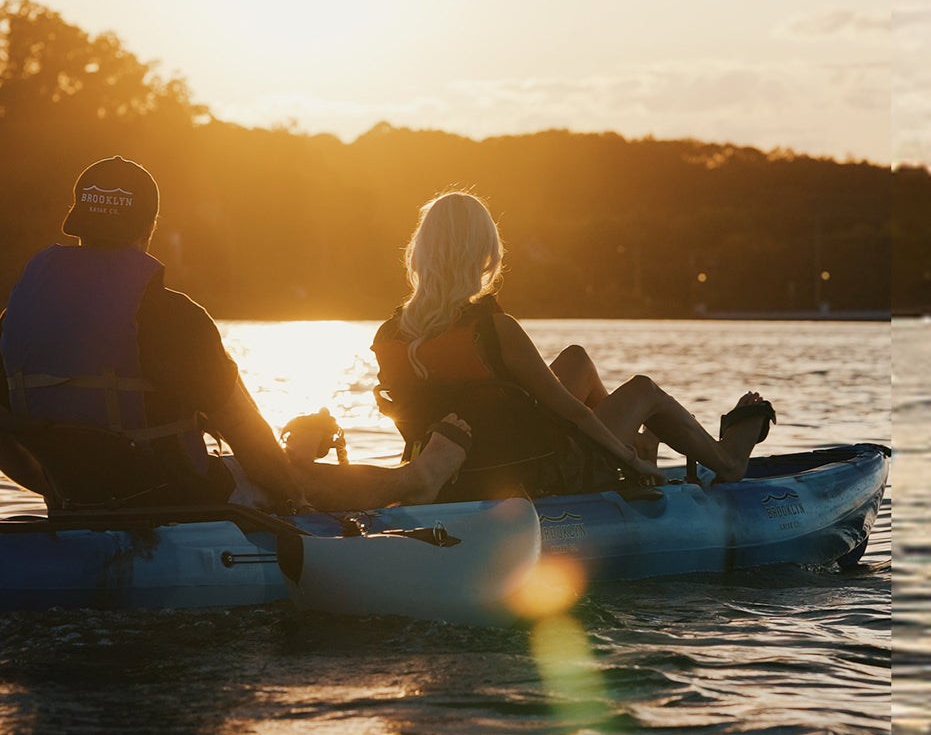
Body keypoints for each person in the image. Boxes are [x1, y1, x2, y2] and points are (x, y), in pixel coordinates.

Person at [0, 157, 470, 514]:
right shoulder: (171, 316)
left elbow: (6, 441)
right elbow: (252, 444)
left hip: (76, 503)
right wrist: (296, 504)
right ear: (150, 227)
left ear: (77, 224)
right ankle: (418, 482)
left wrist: (62, 492)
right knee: (285, 474)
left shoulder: (14, 319)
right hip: (179, 497)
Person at [372, 190, 776, 502]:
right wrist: (632, 462)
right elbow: (573, 416)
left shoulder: (389, 337)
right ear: (482, 253)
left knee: (576, 360)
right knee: (643, 390)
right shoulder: (494, 330)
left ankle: (630, 445)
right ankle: (726, 461)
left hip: (454, 471)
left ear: (421, 254)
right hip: (531, 475)